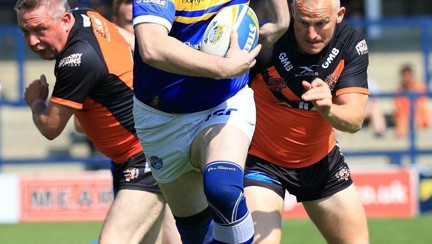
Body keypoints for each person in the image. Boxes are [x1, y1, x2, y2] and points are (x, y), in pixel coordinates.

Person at [15, 1, 178, 243]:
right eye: (25, 32)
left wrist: (36, 102)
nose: (32, 41)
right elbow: (124, 37)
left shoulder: (77, 59)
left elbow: (50, 127)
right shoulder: (86, 15)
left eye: (40, 30)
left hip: (147, 155)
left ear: (66, 20)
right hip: (139, 151)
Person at [132, 0, 289, 243]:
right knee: (196, 234)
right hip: (160, 117)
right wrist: (222, 67)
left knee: (223, 190)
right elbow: (152, 47)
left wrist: (282, 19)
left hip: (224, 101)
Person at [243, 0, 370, 243]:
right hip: (261, 163)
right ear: (291, 12)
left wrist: (328, 109)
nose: (311, 34)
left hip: (321, 162)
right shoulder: (269, 37)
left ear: (339, 15)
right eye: (303, 23)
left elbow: (354, 120)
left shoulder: (350, 44)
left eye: (321, 23)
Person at [393, 64, 431, 138]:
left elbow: (423, 105)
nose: (407, 78)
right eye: (405, 75)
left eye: (408, 75)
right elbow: (399, 108)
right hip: (405, 118)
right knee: (403, 121)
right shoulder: (398, 90)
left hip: (420, 116)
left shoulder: (420, 88)